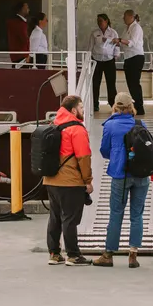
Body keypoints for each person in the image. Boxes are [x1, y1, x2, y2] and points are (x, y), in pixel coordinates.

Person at [93, 93, 150, 268]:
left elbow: (104, 150)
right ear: (130, 107)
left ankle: (108, 254)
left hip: (120, 175)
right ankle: (133, 254)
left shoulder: (110, 125)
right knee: (137, 214)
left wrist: (117, 157)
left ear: (116, 107)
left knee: (116, 213)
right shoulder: (140, 124)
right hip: (141, 175)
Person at [43, 95, 93, 265]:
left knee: (55, 218)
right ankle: (73, 255)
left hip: (51, 180)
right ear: (73, 110)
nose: (83, 110)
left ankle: (54, 254)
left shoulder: (54, 125)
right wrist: (88, 180)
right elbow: (84, 157)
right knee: (70, 219)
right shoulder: (76, 129)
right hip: (70, 182)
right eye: (81, 107)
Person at [118, 9, 146, 116]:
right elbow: (124, 43)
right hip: (128, 57)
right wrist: (117, 42)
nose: (123, 18)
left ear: (131, 17)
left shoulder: (136, 28)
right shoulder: (127, 28)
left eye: (125, 16)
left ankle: (140, 107)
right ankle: (136, 106)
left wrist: (120, 40)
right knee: (130, 84)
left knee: (134, 83)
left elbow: (132, 43)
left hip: (136, 57)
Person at [89, 13, 119, 113]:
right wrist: (89, 58)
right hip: (96, 60)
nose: (99, 23)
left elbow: (117, 45)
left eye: (101, 21)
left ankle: (112, 104)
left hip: (109, 60)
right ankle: (95, 105)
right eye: (98, 21)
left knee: (111, 84)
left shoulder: (113, 32)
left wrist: (116, 55)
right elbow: (90, 46)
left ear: (106, 21)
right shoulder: (94, 33)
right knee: (95, 83)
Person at [6, 1, 30, 66]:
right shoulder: (19, 23)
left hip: (16, 55)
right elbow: (24, 39)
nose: (28, 10)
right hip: (21, 56)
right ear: (22, 9)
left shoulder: (14, 22)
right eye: (26, 8)